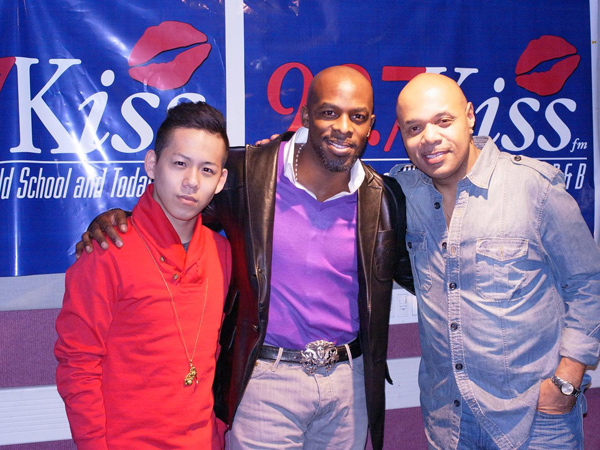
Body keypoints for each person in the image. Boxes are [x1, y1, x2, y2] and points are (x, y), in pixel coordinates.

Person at [75, 65, 414, 449]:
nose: (343, 127)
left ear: (371, 125)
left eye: (357, 117)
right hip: (265, 381)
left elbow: (417, 271)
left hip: (348, 385)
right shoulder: (246, 173)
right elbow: (180, 206)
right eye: (329, 112)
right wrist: (122, 218)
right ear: (306, 116)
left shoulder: (382, 198)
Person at [390, 73, 600, 449]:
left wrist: (567, 381)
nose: (429, 137)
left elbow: (588, 282)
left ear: (470, 116)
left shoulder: (533, 187)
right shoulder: (403, 194)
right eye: (414, 128)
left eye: (443, 120)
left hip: (536, 419)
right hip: (448, 420)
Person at [55, 101, 232, 449]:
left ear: (221, 180)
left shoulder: (222, 252)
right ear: (152, 164)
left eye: (207, 169)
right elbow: (78, 363)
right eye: (179, 164)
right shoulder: (106, 251)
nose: (191, 182)